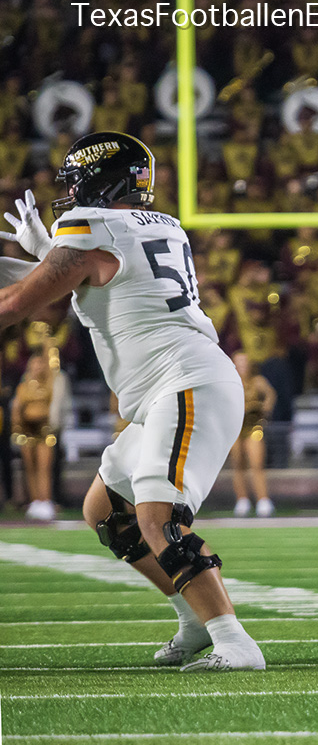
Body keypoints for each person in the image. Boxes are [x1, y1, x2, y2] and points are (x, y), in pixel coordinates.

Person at [0, 133, 263, 671]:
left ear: (103, 184)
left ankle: (235, 643)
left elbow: (20, 303)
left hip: (187, 381)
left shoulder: (92, 229)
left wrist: (42, 255)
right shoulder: (158, 225)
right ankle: (194, 619)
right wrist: (45, 252)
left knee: (159, 518)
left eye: (78, 183)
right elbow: (96, 273)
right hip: (175, 387)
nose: (71, 195)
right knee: (106, 512)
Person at [13, 351, 68, 521]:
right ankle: (35, 501)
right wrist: (16, 428)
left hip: (44, 430)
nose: (37, 367)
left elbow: (56, 403)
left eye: (40, 363)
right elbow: (17, 408)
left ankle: (46, 500)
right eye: (34, 364)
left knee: (45, 467)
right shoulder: (24, 386)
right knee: (30, 468)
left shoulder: (50, 384)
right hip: (27, 430)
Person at [230, 351, 275, 518]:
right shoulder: (230, 381)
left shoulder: (257, 381)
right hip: (235, 427)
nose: (242, 366)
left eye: (245, 362)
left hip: (253, 426)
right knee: (238, 464)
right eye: (239, 362)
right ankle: (242, 500)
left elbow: (270, 394)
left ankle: (263, 499)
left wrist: (265, 408)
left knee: (257, 464)